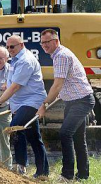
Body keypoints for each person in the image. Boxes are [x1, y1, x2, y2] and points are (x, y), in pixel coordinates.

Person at [37, 29, 95, 181]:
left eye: (47, 42)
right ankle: (82, 175)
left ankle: (67, 175)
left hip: (81, 101)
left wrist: (44, 104)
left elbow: (57, 85)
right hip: (73, 100)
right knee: (78, 138)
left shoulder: (61, 56)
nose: (44, 45)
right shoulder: (60, 54)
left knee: (65, 133)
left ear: (56, 41)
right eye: (42, 43)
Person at [0, 35, 49, 178]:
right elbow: (12, 83)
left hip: (31, 102)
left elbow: (15, 87)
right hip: (20, 103)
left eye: (12, 47)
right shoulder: (15, 60)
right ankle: (43, 172)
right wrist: (6, 86)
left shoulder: (25, 61)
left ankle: (21, 167)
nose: (9, 50)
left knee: (14, 128)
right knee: (33, 137)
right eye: (7, 47)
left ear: (21, 45)